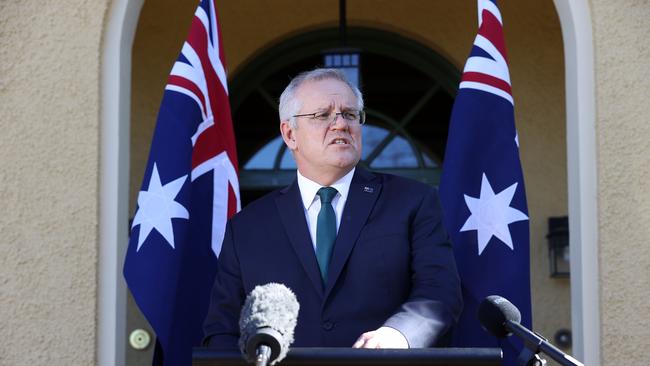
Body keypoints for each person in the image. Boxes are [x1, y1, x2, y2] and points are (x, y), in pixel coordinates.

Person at [203, 68, 462, 349]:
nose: (341, 124)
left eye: (350, 114)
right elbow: (223, 329)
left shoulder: (413, 202)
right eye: (322, 115)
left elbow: (439, 292)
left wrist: (399, 335)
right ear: (290, 134)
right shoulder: (247, 227)